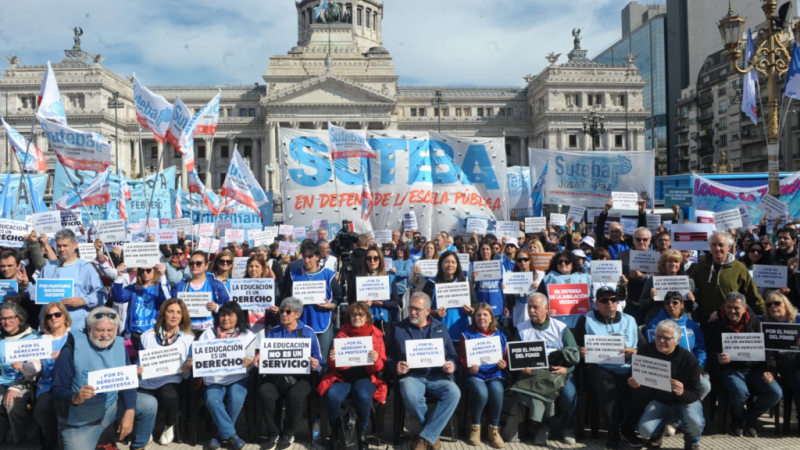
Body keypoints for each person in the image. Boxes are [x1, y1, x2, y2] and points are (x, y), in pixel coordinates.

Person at [51, 306, 157, 450]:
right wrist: (76, 397)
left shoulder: (120, 346)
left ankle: (138, 446)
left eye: (110, 330)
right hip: (80, 419)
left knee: (149, 403)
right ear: (89, 329)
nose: (105, 335)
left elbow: (128, 382)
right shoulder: (70, 350)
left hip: (110, 407)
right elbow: (57, 389)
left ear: (116, 329)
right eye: (100, 330)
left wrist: (129, 412)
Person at [388, 292, 460, 450]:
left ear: (428, 311)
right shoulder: (398, 328)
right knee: (411, 395)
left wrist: (452, 364)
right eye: (410, 308)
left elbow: (452, 355)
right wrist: (395, 366)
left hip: (437, 375)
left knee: (454, 393)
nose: (412, 312)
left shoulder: (440, 327)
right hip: (412, 376)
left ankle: (424, 437)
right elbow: (387, 356)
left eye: (417, 309)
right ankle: (432, 437)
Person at [573, 287, 642, 450]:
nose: (609, 303)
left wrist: (634, 351)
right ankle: (613, 432)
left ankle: (628, 429)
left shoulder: (630, 320)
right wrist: (581, 351)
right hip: (600, 367)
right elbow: (576, 347)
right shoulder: (586, 320)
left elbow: (643, 347)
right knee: (605, 383)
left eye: (613, 299)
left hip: (628, 364)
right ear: (597, 303)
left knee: (642, 383)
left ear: (617, 302)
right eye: (604, 300)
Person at [705, 292, 781, 437]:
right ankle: (737, 417)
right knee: (740, 391)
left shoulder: (757, 324)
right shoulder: (715, 325)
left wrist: (769, 370)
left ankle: (750, 417)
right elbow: (709, 350)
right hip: (730, 370)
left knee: (775, 393)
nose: (732, 311)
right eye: (728, 307)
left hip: (755, 370)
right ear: (724, 307)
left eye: (736, 308)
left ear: (745, 308)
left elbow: (768, 351)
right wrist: (717, 357)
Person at [512, 294, 579, 446]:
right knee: (539, 389)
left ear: (546, 308)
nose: (531, 310)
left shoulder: (560, 328)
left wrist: (567, 370)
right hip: (536, 374)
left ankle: (568, 427)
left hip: (559, 372)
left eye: (535, 307)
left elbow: (574, 354)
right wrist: (522, 368)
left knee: (569, 394)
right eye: (529, 307)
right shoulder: (522, 329)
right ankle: (543, 428)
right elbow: (516, 357)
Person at [317, 302, 386, 447]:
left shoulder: (376, 334)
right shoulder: (341, 334)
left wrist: (376, 360)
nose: (357, 317)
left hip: (365, 377)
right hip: (343, 377)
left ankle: (362, 432)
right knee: (332, 396)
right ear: (349, 317)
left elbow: (380, 367)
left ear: (367, 317)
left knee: (362, 395)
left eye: (361, 314)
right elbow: (332, 365)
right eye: (354, 314)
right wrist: (332, 359)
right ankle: (337, 433)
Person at [258, 297, 323, 450]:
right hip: (277, 377)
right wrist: (258, 361)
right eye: (281, 311)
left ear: (298, 314)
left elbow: (320, 361)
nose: (284, 314)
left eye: (288, 311)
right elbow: (264, 358)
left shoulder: (308, 332)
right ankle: (273, 433)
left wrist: (316, 365)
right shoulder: (272, 332)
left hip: (301, 378)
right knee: (265, 392)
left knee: (296, 395)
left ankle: (288, 433)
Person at [629, 320, 704, 450]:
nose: (660, 341)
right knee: (644, 430)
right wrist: (636, 385)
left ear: (677, 340)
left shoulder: (689, 360)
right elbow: (639, 382)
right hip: (660, 401)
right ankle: (657, 434)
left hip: (684, 402)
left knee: (695, 421)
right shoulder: (646, 351)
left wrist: (683, 392)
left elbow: (695, 393)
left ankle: (692, 442)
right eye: (658, 336)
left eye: (666, 338)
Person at [198, 301, 257, 450]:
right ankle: (231, 435)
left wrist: (248, 362)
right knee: (212, 399)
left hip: (238, 378)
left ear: (238, 317)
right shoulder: (208, 334)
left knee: (237, 398)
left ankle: (220, 434)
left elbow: (250, 363)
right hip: (214, 380)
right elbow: (199, 356)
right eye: (223, 315)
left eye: (230, 315)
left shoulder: (247, 335)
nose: (226, 318)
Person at [136, 298, 194, 446]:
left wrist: (187, 369)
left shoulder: (189, 339)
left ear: (183, 316)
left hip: (172, 379)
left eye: (179, 312)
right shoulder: (147, 335)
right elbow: (139, 361)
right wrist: (138, 368)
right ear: (163, 314)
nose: (174, 315)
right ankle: (146, 428)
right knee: (138, 398)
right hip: (147, 379)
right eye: (171, 311)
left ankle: (169, 425)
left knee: (168, 394)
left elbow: (187, 374)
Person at [29, 229, 107, 329]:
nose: (61, 249)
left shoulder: (85, 268)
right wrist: (25, 286)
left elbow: (101, 295)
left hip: (75, 327)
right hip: (48, 327)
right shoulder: (48, 267)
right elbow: (37, 294)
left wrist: (83, 301)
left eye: (65, 246)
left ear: (75, 245)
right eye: (58, 246)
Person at [18, 302, 71, 449]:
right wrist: (24, 367)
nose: (53, 318)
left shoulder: (75, 337)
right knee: (43, 409)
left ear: (65, 317)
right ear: (45, 321)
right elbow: (35, 366)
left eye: (57, 314)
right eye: (49, 316)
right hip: (49, 383)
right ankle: (51, 440)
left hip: (71, 382)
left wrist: (65, 356)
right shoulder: (40, 341)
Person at [645, 291, 711, 401]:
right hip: (662, 368)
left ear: (682, 304)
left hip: (689, 367)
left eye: (675, 302)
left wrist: (699, 366)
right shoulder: (654, 323)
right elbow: (649, 348)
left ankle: (691, 405)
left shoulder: (692, 324)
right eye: (667, 303)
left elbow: (700, 348)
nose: (671, 305)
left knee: (705, 385)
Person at [283, 243, 341, 362]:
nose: (306, 260)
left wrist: (332, 305)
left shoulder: (328, 275)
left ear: (317, 257)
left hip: (322, 324)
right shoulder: (294, 275)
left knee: (322, 360)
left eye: (310, 257)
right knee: (302, 359)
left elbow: (339, 296)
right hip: (300, 325)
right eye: (304, 257)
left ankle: (321, 380)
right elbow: (287, 298)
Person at [460, 303, 508, 448]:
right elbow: (462, 358)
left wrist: (504, 364)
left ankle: (494, 428)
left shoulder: (501, 334)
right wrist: (468, 367)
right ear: (474, 318)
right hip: (475, 374)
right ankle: (475, 427)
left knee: (497, 390)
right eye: (478, 315)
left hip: (495, 373)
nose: (481, 317)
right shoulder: (466, 334)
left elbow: (505, 356)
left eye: (485, 314)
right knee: (482, 393)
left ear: (491, 318)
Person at [690, 232, 765, 323]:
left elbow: (751, 294)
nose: (717, 248)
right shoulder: (700, 266)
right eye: (713, 245)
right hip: (706, 321)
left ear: (728, 247)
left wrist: (765, 314)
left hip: (731, 321)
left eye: (721, 245)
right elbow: (691, 289)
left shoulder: (738, 268)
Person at [761, 291, 800, 425]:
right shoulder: (764, 321)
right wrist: (717, 313)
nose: (772, 306)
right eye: (769, 305)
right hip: (779, 364)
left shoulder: (798, 319)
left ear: (786, 304)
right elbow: (745, 311)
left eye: (777, 303)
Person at [0, 303, 38, 443]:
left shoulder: (33, 337)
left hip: (27, 380)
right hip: (3, 380)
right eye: (3, 318)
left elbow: (35, 370)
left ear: (20, 318)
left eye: (11, 318)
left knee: (12, 401)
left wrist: (16, 386)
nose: (6, 322)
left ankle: (21, 436)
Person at [111, 263, 170, 351]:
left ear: (155, 271)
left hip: (154, 333)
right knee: (134, 363)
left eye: (148, 270)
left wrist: (162, 276)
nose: (145, 273)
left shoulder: (159, 287)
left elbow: (167, 300)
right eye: (142, 270)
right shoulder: (133, 288)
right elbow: (117, 297)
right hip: (135, 333)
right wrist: (119, 276)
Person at [423, 251, 477, 342]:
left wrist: (471, 310)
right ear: (441, 264)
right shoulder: (431, 283)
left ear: (457, 265)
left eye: (453, 262)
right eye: (446, 262)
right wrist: (434, 313)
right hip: (437, 332)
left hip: (462, 331)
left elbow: (475, 304)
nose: (450, 265)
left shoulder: (465, 283)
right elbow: (422, 309)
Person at [171, 251, 230, 334]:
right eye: (191, 263)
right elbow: (171, 307)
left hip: (210, 331)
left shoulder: (216, 284)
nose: (194, 265)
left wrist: (216, 307)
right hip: (186, 331)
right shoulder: (180, 286)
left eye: (198, 263)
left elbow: (229, 307)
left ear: (206, 266)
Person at [537, 250, 593, 328]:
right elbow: (538, 300)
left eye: (567, 261)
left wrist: (592, 309)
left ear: (572, 263)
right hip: (556, 324)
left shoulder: (585, 278)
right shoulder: (548, 279)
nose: (563, 263)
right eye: (560, 261)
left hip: (581, 324)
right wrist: (545, 312)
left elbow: (593, 299)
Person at [639, 250, 697, 324]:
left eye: (676, 261)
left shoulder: (689, 282)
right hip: (658, 322)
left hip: (682, 322)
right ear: (663, 263)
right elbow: (642, 304)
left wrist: (692, 301)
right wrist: (651, 299)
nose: (673, 264)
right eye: (670, 261)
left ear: (680, 264)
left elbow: (695, 307)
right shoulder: (652, 281)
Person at [617, 227, 654, 324]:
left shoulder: (656, 258)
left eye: (645, 239)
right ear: (633, 240)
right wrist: (622, 281)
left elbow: (658, 279)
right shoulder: (622, 256)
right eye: (638, 239)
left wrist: (642, 277)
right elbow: (615, 277)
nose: (641, 242)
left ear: (650, 241)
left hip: (649, 304)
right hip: (629, 304)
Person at [357, 246, 398, 330]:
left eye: (375, 258)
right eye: (369, 258)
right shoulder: (358, 278)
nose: (372, 261)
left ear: (380, 260)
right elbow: (351, 301)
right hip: (363, 319)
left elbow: (396, 302)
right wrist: (361, 304)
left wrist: (382, 303)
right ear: (365, 260)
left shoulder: (389, 278)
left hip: (383, 320)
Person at [504, 249, 543, 328]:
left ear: (530, 260)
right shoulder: (511, 276)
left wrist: (539, 288)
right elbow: (510, 299)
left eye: (525, 259)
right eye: (519, 260)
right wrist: (506, 291)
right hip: (519, 314)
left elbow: (545, 295)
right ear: (516, 262)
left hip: (535, 315)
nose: (522, 262)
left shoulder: (540, 275)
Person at [0, 250, 36, 329]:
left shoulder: (28, 280)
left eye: (10, 266)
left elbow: (36, 306)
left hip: (25, 327)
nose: (5, 269)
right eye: (2, 266)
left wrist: (21, 301)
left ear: (19, 265)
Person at [243, 254, 278, 333]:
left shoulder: (271, 285)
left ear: (262, 269)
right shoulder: (241, 285)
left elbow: (278, 302)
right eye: (251, 266)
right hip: (247, 328)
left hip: (266, 328)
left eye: (257, 266)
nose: (253, 269)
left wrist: (276, 310)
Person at [472, 242, 505, 318]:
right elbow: (472, 287)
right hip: (481, 303)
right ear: (479, 252)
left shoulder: (499, 265)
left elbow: (503, 283)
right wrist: (473, 278)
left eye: (487, 249)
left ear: (491, 251)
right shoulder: (473, 266)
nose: (485, 251)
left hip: (496, 305)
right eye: (483, 249)